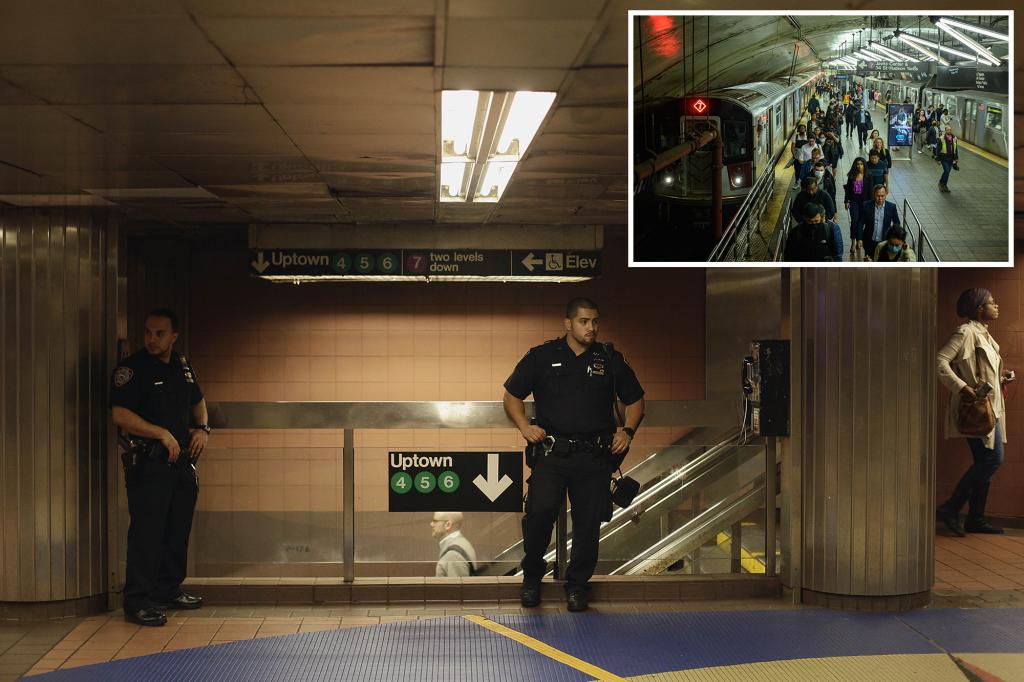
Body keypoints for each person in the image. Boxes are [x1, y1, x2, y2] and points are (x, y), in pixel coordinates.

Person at [503, 298, 645, 612]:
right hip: (552, 454)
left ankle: (577, 586)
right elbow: (512, 396)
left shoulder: (609, 359)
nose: (591, 328)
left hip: (594, 457)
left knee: (588, 523)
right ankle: (532, 576)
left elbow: (635, 400)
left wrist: (628, 431)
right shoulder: (541, 357)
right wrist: (525, 427)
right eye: (584, 321)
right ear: (568, 323)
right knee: (539, 513)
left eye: (595, 321)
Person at [111, 309, 209, 627]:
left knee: (176, 529)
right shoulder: (132, 369)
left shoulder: (181, 365)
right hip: (149, 461)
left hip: (180, 462)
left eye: (160, 334)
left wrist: (202, 429)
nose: (152, 339)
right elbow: (121, 415)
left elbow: (197, 400)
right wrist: (160, 433)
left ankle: (167, 589)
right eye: (148, 332)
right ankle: (137, 601)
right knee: (146, 532)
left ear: (173, 336)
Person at [936, 289, 1015, 536]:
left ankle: (976, 518)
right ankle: (950, 509)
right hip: (977, 409)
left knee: (986, 462)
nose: (996, 305)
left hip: (990, 407)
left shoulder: (985, 335)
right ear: (979, 308)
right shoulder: (966, 331)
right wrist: (963, 388)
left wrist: (1001, 378)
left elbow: (980, 369)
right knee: (991, 460)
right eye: (992, 302)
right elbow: (940, 361)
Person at [858, 184, 900, 260]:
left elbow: (897, 223)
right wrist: (860, 238)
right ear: (874, 195)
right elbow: (860, 223)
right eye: (878, 196)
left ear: (886, 195)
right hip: (869, 241)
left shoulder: (891, 207)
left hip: (884, 242)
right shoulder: (866, 206)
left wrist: (894, 237)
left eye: (882, 195)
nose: (880, 198)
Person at [432, 512, 478, 577]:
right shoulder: (462, 544)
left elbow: (456, 587)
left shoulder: (453, 555)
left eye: (435, 521)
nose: (431, 524)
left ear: (448, 525)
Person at [843, 157, 874, 255]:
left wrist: (871, 204)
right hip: (854, 201)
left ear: (864, 165)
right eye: (857, 164)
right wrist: (846, 201)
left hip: (865, 203)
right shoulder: (852, 175)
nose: (859, 166)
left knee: (861, 222)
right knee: (855, 221)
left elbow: (870, 191)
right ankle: (853, 242)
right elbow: (848, 189)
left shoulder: (868, 175)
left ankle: (860, 240)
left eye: (861, 164)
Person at [935, 125, 959, 193]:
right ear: (945, 130)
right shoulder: (941, 138)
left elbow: (955, 149)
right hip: (944, 158)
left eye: (950, 130)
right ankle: (941, 183)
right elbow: (938, 149)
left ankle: (944, 185)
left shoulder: (954, 138)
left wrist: (956, 158)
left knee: (947, 173)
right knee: (946, 171)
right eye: (948, 130)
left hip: (951, 158)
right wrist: (938, 159)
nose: (950, 131)